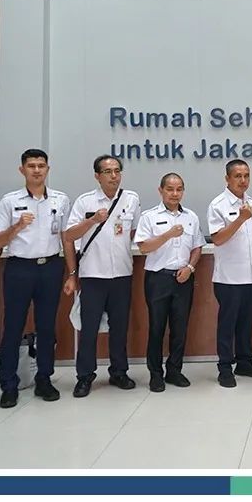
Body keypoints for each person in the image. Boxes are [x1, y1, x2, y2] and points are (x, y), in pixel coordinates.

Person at [0, 149, 70, 407]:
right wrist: (17, 227)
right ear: (22, 169)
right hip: (20, 269)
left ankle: (44, 379)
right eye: (31, 165)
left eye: (41, 165)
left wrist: (71, 272)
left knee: (46, 327)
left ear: (48, 169)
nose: (37, 170)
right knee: (13, 327)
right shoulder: (9, 201)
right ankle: (9, 384)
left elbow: (66, 238)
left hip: (50, 267)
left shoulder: (60, 199)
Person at [63, 154, 141, 398]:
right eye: (107, 172)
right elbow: (69, 236)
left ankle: (119, 372)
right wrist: (93, 221)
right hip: (93, 276)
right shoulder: (85, 201)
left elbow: (133, 232)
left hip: (122, 274)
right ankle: (85, 376)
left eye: (117, 171)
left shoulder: (131, 199)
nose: (113, 176)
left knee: (120, 328)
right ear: (97, 176)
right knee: (88, 330)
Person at [135, 173, 203, 391]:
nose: (175, 194)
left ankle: (174, 370)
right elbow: (143, 247)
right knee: (157, 328)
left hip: (183, 278)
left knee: (179, 328)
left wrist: (190, 268)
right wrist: (168, 234)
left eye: (179, 189)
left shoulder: (191, 216)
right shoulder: (149, 216)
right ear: (161, 190)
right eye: (170, 189)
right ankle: (156, 374)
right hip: (158, 279)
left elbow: (197, 246)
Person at [207, 160, 252, 388]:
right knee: (227, 325)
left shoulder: (251, 203)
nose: (243, 180)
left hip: (251, 275)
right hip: (229, 278)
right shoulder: (218, 205)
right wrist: (240, 219)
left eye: (246, 175)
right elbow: (217, 239)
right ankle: (224, 368)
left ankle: (244, 362)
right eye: (238, 176)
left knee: (246, 323)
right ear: (227, 179)